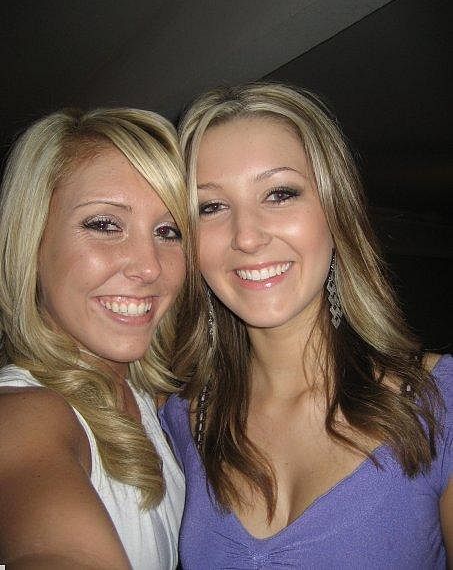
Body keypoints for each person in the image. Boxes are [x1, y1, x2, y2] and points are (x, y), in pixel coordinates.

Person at [160, 82, 453, 568]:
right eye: (210, 206)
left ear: (336, 212)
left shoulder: (438, 401)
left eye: (280, 194)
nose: (247, 237)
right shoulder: (181, 416)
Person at [0, 108, 188, 569]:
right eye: (105, 225)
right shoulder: (25, 415)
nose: (149, 266)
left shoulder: (147, 397)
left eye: (168, 232)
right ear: (33, 241)